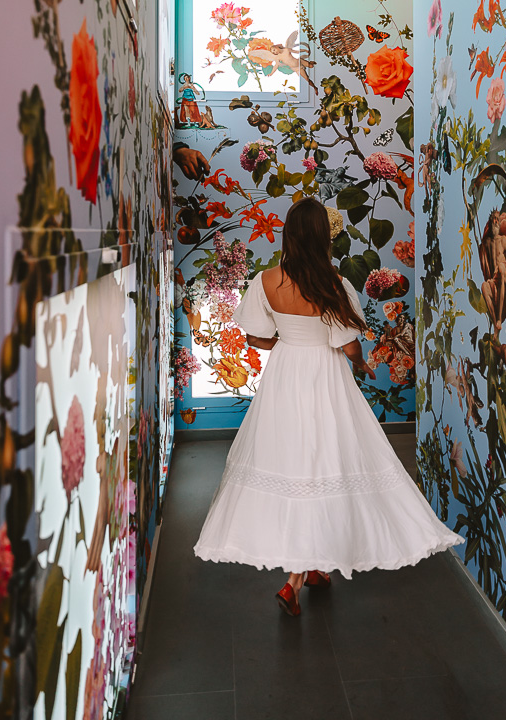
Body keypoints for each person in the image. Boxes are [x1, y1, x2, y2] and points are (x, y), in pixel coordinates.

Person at [194, 199, 463, 616]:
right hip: (325, 376)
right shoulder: (335, 284)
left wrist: (285, 339)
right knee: (325, 462)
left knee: (296, 462)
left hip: (286, 375)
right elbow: (347, 343)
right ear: (324, 237)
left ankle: (310, 570)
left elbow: (256, 340)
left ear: (289, 234)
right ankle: (296, 579)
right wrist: (362, 363)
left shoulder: (265, 281)